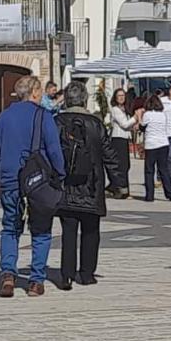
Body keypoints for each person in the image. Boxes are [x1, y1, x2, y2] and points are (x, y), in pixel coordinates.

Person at [0, 76, 65, 298]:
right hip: (38, 182)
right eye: (39, 91)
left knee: (10, 227)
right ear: (34, 92)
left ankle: (8, 275)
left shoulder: (4, 117)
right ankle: (36, 280)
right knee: (41, 229)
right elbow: (54, 150)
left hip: (10, 179)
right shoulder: (43, 116)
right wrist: (60, 175)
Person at [55, 82, 122, 290]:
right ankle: (86, 274)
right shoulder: (96, 124)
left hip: (66, 184)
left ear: (66, 99)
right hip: (92, 184)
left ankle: (66, 275)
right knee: (91, 230)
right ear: (84, 99)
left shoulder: (57, 122)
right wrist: (118, 181)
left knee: (68, 231)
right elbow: (109, 153)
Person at [140, 95, 171, 202]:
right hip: (163, 144)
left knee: (149, 171)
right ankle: (170, 194)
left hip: (151, 145)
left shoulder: (147, 114)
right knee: (163, 169)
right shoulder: (163, 115)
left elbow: (142, 127)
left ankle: (149, 195)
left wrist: (139, 117)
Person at [108, 88, 136, 199]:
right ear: (115, 97)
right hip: (118, 138)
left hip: (124, 138)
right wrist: (135, 117)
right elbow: (124, 124)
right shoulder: (115, 109)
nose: (121, 97)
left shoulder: (125, 109)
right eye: (119, 95)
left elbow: (128, 125)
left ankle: (117, 187)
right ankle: (122, 190)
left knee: (126, 165)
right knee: (122, 165)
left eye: (123, 95)